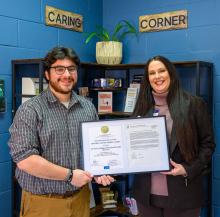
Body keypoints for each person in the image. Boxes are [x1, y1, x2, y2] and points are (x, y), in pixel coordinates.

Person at [8, 47, 114, 217]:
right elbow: (25, 159)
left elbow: (94, 149)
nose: (66, 75)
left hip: (81, 199)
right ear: (47, 74)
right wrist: (70, 176)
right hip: (43, 203)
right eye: (59, 69)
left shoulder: (87, 107)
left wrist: (100, 170)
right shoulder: (30, 109)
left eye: (71, 69)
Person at [132, 55, 215, 217]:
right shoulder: (141, 107)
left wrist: (186, 169)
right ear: (148, 78)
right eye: (152, 73)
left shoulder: (193, 104)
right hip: (146, 196)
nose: (157, 76)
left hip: (183, 195)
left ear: (170, 73)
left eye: (161, 71)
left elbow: (208, 145)